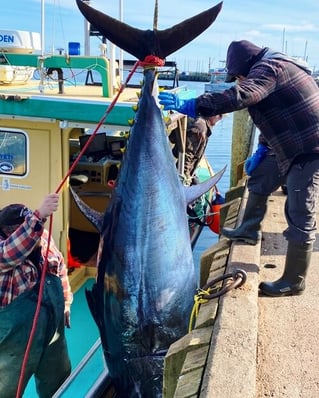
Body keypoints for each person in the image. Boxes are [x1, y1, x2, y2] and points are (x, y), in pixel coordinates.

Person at [159, 39, 319, 297]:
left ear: (246, 65)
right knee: (259, 177)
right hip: (288, 144)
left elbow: (243, 95)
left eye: (238, 75)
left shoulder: (270, 68)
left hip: (311, 150)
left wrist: (196, 105)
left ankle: (294, 281)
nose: (238, 79)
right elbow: (277, 113)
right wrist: (263, 148)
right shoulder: (270, 68)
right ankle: (248, 230)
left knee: (300, 212)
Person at [0, 193, 73, 398]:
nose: (32, 234)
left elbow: (60, 269)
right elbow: (9, 254)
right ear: (8, 232)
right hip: (13, 344)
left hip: (51, 334)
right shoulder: (6, 249)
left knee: (57, 382)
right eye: (19, 229)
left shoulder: (43, 239)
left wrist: (66, 303)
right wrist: (39, 215)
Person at [221, 133, 286, 245]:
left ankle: (249, 230)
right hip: (307, 151)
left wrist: (262, 149)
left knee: (259, 180)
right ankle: (287, 185)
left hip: (284, 151)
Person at [171, 114, 222, 185]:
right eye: (220, 115)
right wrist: (186, 178)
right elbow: (187, 155)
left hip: (188, 168)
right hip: (179, 170)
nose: (220, 119)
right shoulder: (200, 128)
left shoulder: (202, 123)